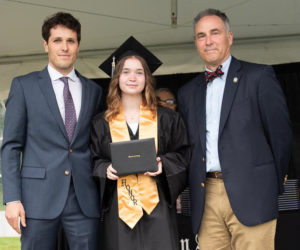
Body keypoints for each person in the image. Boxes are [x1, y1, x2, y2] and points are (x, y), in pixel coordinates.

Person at [177, 8, 292, 250]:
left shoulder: (259, 76)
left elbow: (281, 137)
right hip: (206, 197)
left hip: (253, 194)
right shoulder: (187, 93)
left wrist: (269, 186)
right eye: (201, 35)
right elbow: (188, 148)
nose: (208, 41)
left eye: (215, 33)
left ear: (230, 37)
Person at [1, 12, 102, 250]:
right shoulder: (24, 86)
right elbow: (11, 146)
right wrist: (13, 199)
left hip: (83, 198)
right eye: (57, 40)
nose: (64, 47)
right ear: (46, 44)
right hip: (37, 199)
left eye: (71, 40)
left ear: (78, 45)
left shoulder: (94, 91)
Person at [91, 36, 190, 250]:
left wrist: (165, 164)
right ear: (116, 77)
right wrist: (104, 169)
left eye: (139, 72)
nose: (132, 78)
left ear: (147, 78)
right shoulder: (101, 122)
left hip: (158, 205)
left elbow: (183, 155)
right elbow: (92, 159)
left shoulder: (167, 119)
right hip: (120, 208)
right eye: (125, 72)